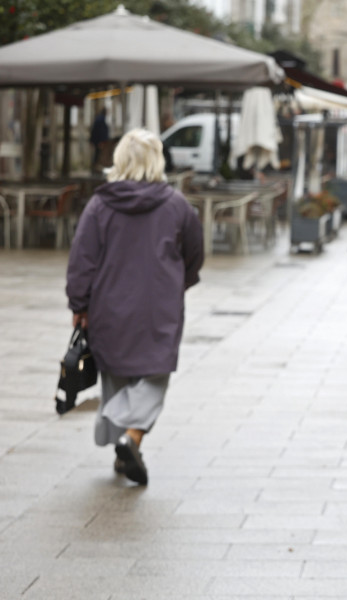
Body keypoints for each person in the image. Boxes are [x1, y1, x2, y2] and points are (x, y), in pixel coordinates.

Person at [66, 128, 203, 486]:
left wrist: (79, 303)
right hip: (160, 308)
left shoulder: (99, 205)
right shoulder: (177, 206)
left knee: (117, 377)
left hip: (107, 307)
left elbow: (82, 258)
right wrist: (178, 284)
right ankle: (131, 439)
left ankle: (122, 443)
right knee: (153, 378)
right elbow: (194, 255)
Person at [89, 107, 110, 172]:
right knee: (97, 154)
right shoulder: (101, 120)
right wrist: (101, 141)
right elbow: (100, 131)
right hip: (98, 141)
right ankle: (95, 168)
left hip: (97, 140)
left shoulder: (99, 119)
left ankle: (95, 168)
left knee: (97, 154)